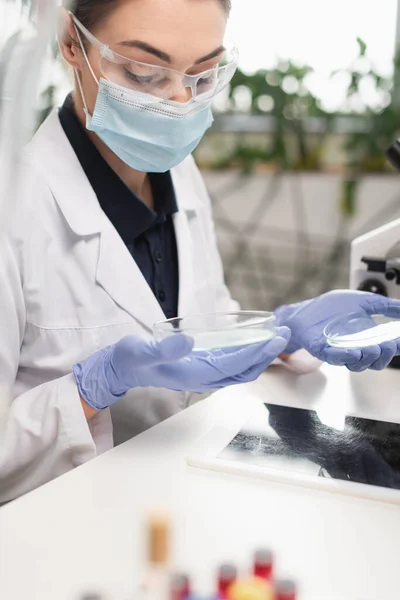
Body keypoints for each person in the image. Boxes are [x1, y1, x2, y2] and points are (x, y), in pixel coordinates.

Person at [0, 0, 399, 503]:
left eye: (204, 76)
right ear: (70, 44)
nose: (177, 102)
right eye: (144, 71)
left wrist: (280, 331)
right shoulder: (11, 206)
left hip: (181, 501)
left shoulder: (180, 178)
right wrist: (89, 389)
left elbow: (198, 328)